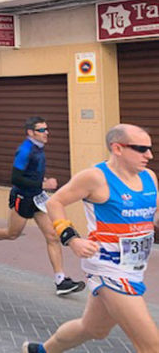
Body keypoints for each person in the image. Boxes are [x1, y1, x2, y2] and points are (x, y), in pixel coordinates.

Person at [23, 124, 159, 353]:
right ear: (117, 148)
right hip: (108, 269)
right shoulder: (95, 178)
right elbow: (55, 202)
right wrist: (71, 239)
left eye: (149, 149)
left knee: (93, 329)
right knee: (152, 345)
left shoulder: (149, 177)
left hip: (134, 267)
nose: (149, 155)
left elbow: (151, 216)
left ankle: (41, 351)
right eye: (141, 149)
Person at [0, 116, 85, 296]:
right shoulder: (24, 150)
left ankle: (60, 280)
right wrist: (43, 185)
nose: (46, 133)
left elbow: (32, 174)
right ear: (30, 132)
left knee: (52, 236)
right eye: (41, 130)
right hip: (22, 197)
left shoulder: (39, 148)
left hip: (38, 198)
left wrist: (41, 183)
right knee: (11, 233)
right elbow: (15, 178)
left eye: (46, 129)